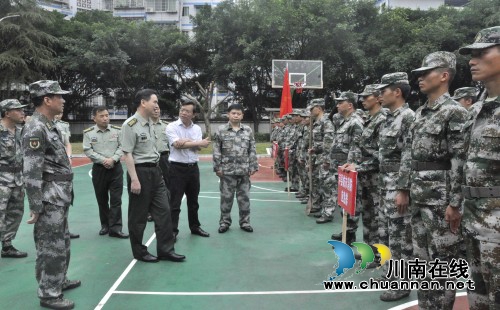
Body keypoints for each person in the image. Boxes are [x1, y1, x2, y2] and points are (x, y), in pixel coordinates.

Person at [399, 51, 467, 309]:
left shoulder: (454, 112)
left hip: (441, 202)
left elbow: (460, 160)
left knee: (443, 262)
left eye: (426, 73)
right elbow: (409, 152)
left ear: (444, 75)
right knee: (422, 260)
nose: (420, 78)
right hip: (419, 197)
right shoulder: (420, 113)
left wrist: (455, 203)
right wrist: (403, 188)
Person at [23, 80, 80, 310]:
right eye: (59, 96)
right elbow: (31, 170)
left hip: (59, 195)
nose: (63, 100)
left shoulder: (49, 125)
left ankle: (59, 280)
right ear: (46, 99)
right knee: (50, 247)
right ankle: (49, 294)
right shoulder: (36, 128)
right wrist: (36, 206)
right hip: (49, 197)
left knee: (62, 242)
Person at [459, 26, 500, 310]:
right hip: (474, 222)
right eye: (470, 55)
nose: (472, 60)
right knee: (480, 300)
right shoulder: (476, 110)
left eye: (482, 53)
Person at [121, 89, 185, 263]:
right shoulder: (130, 124)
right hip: (140, 172)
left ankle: (166, 250)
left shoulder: (151, 123)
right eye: (154, 102)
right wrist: (134, 179)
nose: (157, 105)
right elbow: (127, 154)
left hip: (156, 172)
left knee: (164, 212)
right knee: (138, 216)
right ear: (143, 102)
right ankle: (139, 251)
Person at [338, 84, 386, 251]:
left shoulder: (383, 120)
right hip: (366, 177)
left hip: (377, 178)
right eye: (363, 97)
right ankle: (370, 250)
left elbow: (382, 156)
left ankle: (378, 252)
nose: (363, 100)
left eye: (367, 97)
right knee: (368, 216)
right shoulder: (370, 120)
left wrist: (358, 166)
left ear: (378, 98)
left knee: (379, 218)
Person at [166, 100, 211, 239]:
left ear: (194, 114)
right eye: (182, 110)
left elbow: (197, 148)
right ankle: (172, 231)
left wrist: (185, 141)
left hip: (193, 169)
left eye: (187, 111)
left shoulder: (196, 128)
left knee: (193, 201)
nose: (183, 113)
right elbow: (177, 145)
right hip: (176, 168)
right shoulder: (171, 126)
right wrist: (195, 142)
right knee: (175, 202)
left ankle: (195, 227)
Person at [82, 106, 128, 238]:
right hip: (99, 169)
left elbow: (122, 146)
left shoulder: (117, 131)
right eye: (101, 116)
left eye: (107, 115)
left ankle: (116, 228)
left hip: (115, 168)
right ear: (94, 118)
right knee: (102, 199)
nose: (105, 118)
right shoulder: (89, 133)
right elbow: (88, 150)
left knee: (116, 200)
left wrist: (113, 159)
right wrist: (104, 160)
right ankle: (105, 225)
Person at [213, 104, 258, 233]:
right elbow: (216, 150)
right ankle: (224, 222)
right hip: (227, 171)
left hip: (244, 171)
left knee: (244, 199)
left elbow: (252, 149)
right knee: (226, 198)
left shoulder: (248, 130)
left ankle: (245, 222)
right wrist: (218, 167)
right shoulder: (221, 130)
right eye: (233, 113)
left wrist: (253, 166)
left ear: (242, 115)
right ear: (228, 114)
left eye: (238, 113)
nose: (236, 115)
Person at [320, 91, 363, 227]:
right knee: (343, 199)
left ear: (350, 105)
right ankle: (346, 229)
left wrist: (350, 166)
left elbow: (356, 148)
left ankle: (349, 232)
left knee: (350, 201)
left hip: (348, 167)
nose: (337, 105)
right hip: (338, 165)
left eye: (340, 103)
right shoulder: (344, 121)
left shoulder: (355, 122)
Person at [0, 99, 28, 258]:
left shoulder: (20, 131)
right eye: (18, 110)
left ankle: (7, 246)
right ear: (7, 113)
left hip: (17, 179)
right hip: (2, 180)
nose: (22, 112)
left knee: (15, 213)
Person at [54, 113, 79, 240]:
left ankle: (65, 230)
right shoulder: (40, 125)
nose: (59, 114)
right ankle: (55, 231)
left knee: (66, 198)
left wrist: (69, 157)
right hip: (52, 169)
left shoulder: (64, 125)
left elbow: (67, 143)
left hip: (64, 167)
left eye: (61, 113)